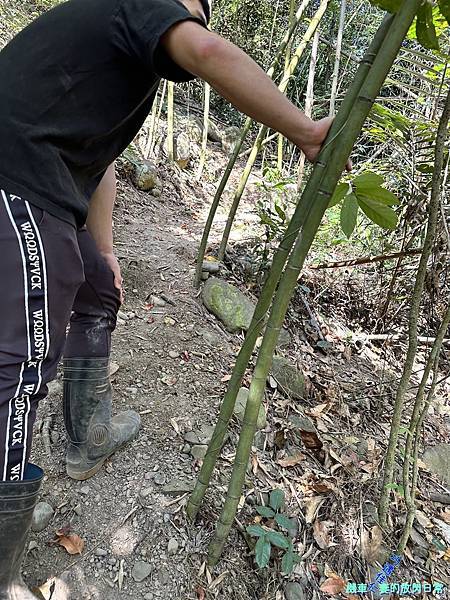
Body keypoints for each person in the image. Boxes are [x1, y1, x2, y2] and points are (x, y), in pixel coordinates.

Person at [0, 0, 337, 596]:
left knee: (95, 287)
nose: (198, 23)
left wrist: (105, 255)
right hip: (18, 189)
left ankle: (86, 435)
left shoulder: (105, 60)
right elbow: (206, 52)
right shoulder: (134, 6)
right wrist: (307, 132)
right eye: (196, 11)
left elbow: (98, 166)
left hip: (38, 181)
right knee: (17, 372)